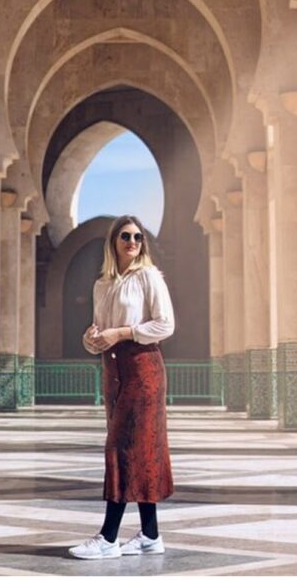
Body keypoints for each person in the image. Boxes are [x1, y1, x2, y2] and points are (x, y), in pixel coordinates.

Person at [68, 214, 175, 560]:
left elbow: (165, 324)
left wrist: (123, 333)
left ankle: (109, 537)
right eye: (126, 236)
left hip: (143, 369)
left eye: (138, 237)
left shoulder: (149, 277)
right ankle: (150, 534)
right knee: (140, 448)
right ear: (114, 241)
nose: (132, 242)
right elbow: (100, 333)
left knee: (119, 448)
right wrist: (92, 337)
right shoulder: (103, 285)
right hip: (113, 372)